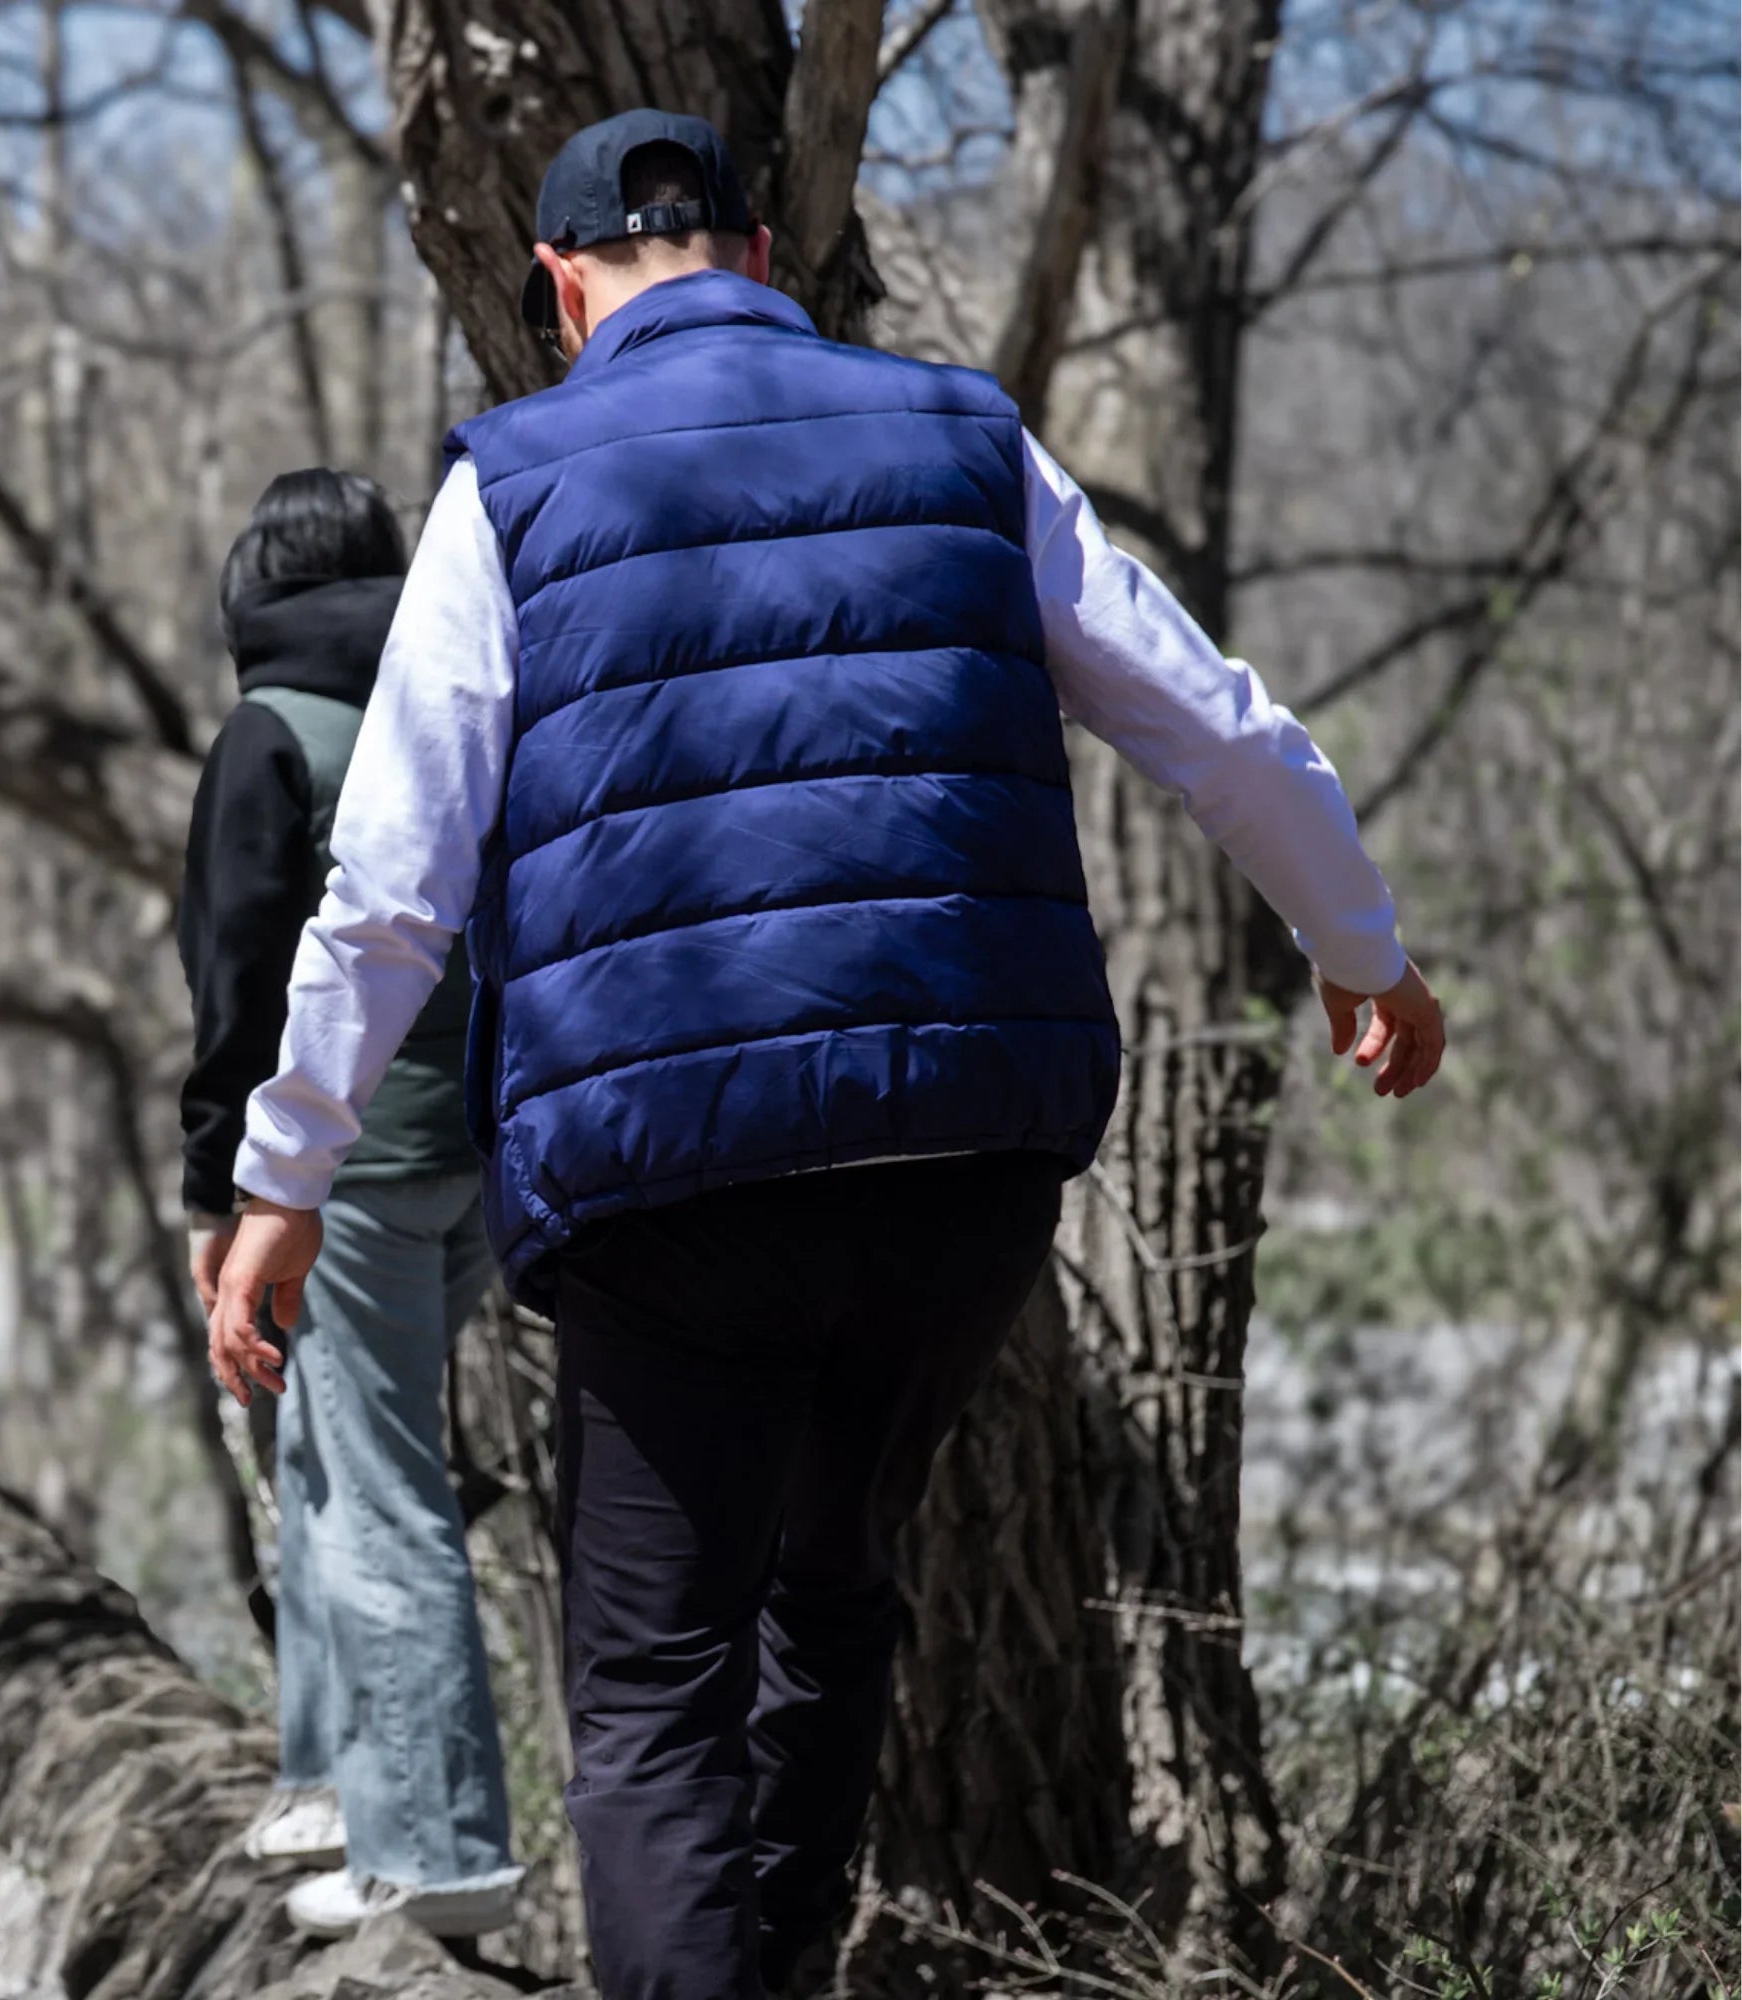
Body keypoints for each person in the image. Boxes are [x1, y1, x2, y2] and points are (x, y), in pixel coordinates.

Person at [207, 111, 1445, 1999]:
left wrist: (286, 1173)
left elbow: (390, 887)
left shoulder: (514, 484)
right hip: (958, 1159)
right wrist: (1363, 952)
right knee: (836, 1582)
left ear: (558, 289)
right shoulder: (962, 432)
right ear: (767, 258)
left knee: (652, 1689)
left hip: (667, 1174)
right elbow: (1217, 723)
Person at [176, 468, 522, 1942]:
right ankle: (327, 1781)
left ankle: (435, 1851)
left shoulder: (274, 733)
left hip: (344, 1171)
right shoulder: (472, 683)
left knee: (376, 1496)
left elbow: (239, 975)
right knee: (331, 1452)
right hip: (495, 1154)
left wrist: (221, 1190)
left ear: (255, 582)